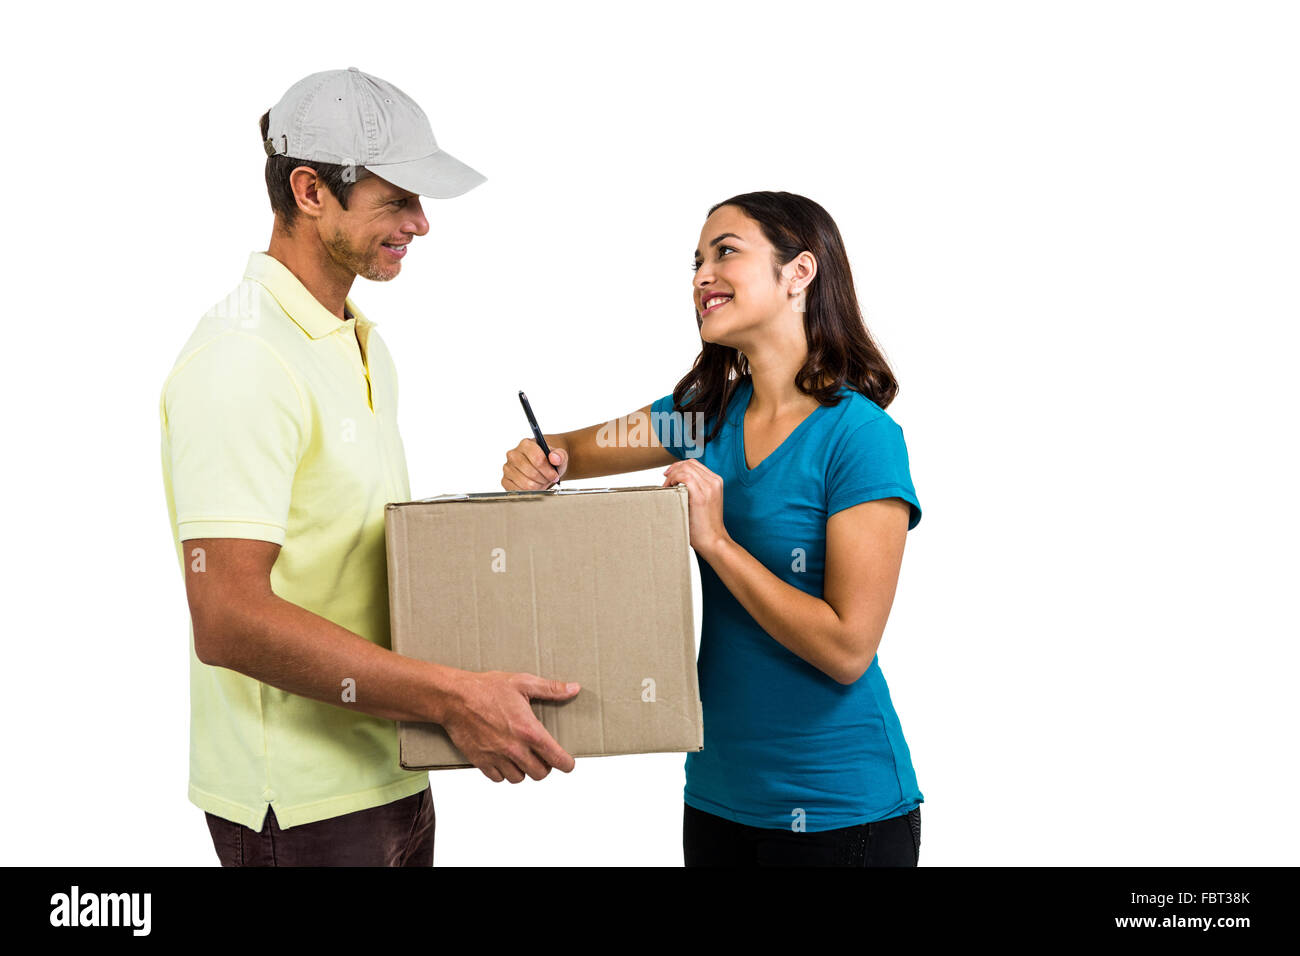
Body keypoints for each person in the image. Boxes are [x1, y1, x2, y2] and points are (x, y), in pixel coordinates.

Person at [159, 67, 580, 868]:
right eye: (397, 200)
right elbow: (226, 615)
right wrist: (454, 697)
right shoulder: (242, 359)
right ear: (311, 190)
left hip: (389, 765)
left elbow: (349, 556)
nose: (421, 224)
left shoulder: (357, 340)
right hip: (302, 804)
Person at [501, 191, 924, 867]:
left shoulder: (860, 437)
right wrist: (540, 458)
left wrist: (718, 543)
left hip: (843, 811)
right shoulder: (703, 414)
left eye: (725, 252)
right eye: (696, 260)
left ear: (800, 273)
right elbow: (572, 451)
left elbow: (848, 648)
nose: (701, 275)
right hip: (719, 798)